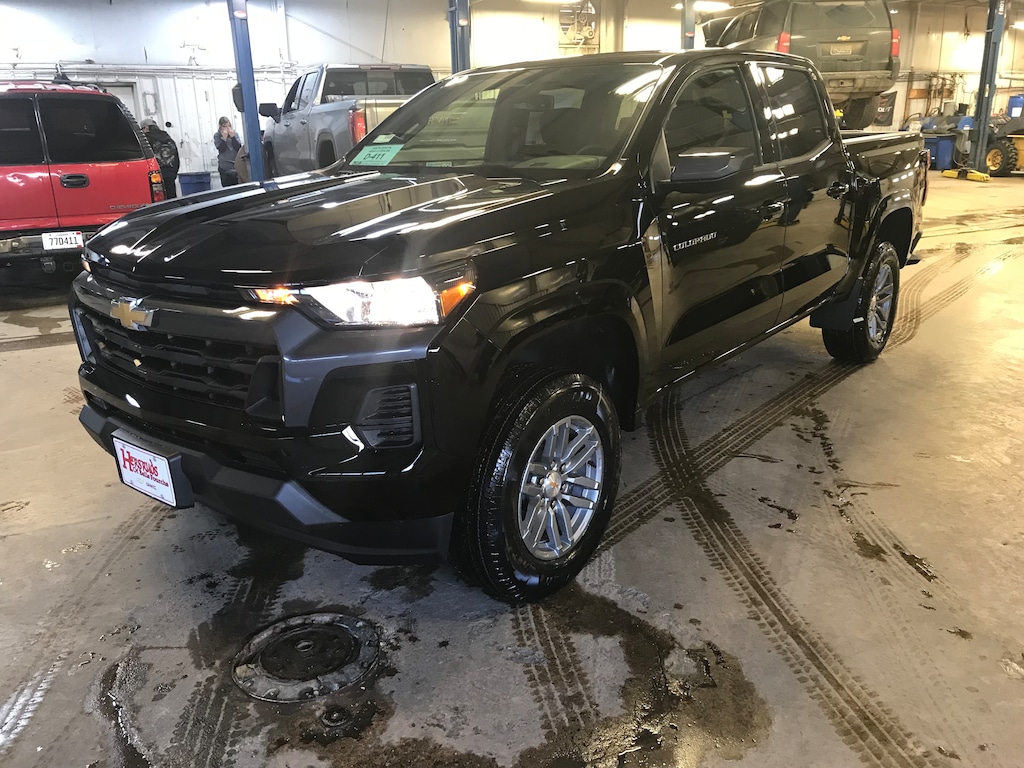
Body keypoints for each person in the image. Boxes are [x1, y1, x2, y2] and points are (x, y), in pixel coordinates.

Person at [141, 118, 180, 198]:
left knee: (158, 202)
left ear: (146, 128)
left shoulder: (146, 140)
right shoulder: (169, 139)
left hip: (155, 177)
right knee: (171, 200)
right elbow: (176, 158)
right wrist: (173, 173)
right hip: (170, 174)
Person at [214, 116, 242, 187]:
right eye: (224, 126)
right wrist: (224, 138)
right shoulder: (217, 135)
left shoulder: (235, 134)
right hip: (224, 166)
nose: (227, 128)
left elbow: (238, 148)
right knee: (227, 187)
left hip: (235, 165)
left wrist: (233, 137)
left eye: (228, 126)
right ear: (220, 127)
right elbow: (221, 149)